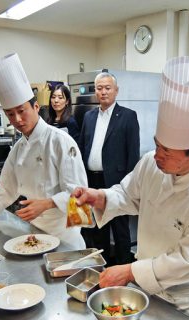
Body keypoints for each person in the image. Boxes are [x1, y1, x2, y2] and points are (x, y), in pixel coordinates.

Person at [73, 56, 189, 320]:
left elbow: (188, 262)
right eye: (157, 144)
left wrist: (129, 271)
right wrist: (100, 197)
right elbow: (127, 194)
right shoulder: (152, 163)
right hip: (149, 292)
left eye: (167, 151)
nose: (157, 155)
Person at [0, 53, 87, 249]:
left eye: (21, 110)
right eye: (10, 114)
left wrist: (46, 203)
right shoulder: (18, 148)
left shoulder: (60, 141)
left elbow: (80, 194)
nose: (16, 119)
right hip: (36, 234)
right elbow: (6, 190)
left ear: (35, 107)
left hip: (65, 238)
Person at [78, 71, 140, 266]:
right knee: (98, 228)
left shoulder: (128, 116)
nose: (103, 92)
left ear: (116, 91)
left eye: (107, 88)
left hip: (117, 183)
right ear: (95, 91)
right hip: (92, 181)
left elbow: (133, 154)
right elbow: (82, 147)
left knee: (120, 229)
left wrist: (129, 185)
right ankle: (101, 267)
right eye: (99, 88)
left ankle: (123, 269)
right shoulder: (88, 116)